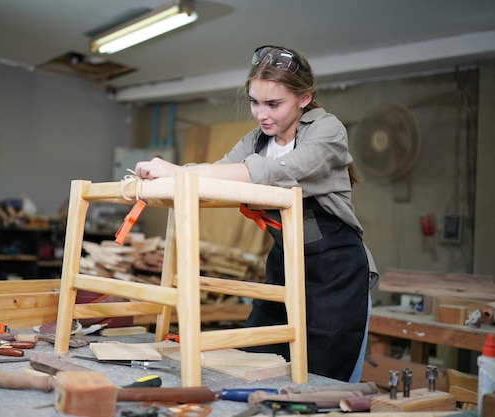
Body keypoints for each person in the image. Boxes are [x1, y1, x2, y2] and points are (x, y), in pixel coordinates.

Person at [134, 45, 376, 382]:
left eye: (273, 104)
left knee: (323, 379)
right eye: (254, 102)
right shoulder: (256, 140)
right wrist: (172, 175)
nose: (262, 114)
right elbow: (216, 174)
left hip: (334, 270)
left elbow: (276, 173)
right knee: (257, 364)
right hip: (284, 263)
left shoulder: (327, 131)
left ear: (304, 98)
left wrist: (178, 172)